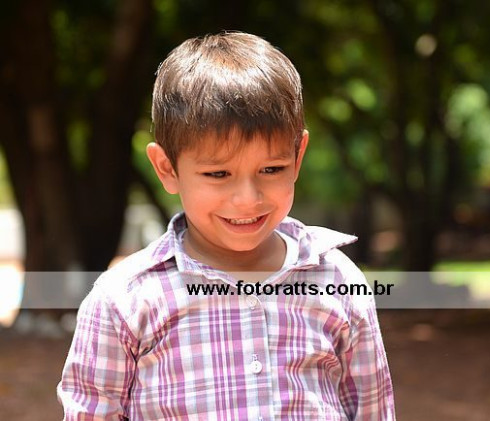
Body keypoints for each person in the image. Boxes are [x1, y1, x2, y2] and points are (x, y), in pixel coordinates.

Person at [57, 32, 395, 420]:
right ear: (167, 169)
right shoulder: (125, 300)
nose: (247, 199)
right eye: (218, 174)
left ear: (298, 157)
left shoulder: (337, 280)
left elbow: (372, 409)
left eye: (272, 169)